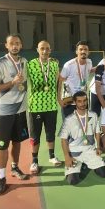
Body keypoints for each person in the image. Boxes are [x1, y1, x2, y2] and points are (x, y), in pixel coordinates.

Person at [0, 34, 29, 195]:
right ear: (7, 46)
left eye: (17, 43)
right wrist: (13, 82)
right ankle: (1, 178)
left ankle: (15, 167)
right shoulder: (0, 63)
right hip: (4, 111)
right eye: (12, 44)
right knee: (2, 145)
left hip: (21, 110)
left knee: (17, 141)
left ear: (21, 45)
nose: (15, 46)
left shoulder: (24, 62)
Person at [27, 40, 62, 174]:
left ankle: (52, 156)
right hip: (35, 106)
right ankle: (34, 161)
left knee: (50, 133)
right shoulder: (31, 65)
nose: (45, 51)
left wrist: (58, 98)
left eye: (47, 49)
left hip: (51, 105)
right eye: (42, 49)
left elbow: (59, 83)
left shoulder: (54, 64)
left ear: (50, 50)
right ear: (37, 50)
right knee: (35, 136)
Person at [59, 91, 105, 185]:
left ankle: (86, 163)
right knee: (73, 181)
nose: (83, 103)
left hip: (89, 150)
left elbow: (97, 132)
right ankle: (80, 165)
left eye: (85, 100)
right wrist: (67, 157)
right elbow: (63, 139)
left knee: (104, 173)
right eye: (79, 101)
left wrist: (98, 147)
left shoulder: (93, 115)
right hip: (74, 153)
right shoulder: (69, 119)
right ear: (75, 102)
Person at [58, 41, 93, 118]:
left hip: (83, 101)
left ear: (88, 52)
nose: (83, 51)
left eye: (85, 49)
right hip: (69, 102)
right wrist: (59, 99)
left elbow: (89, 70)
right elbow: (60, 81)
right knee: (68, 127)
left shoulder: (89, 62)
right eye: (81, 49)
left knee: (83, 126)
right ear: (76, 51)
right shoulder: (68, 65)